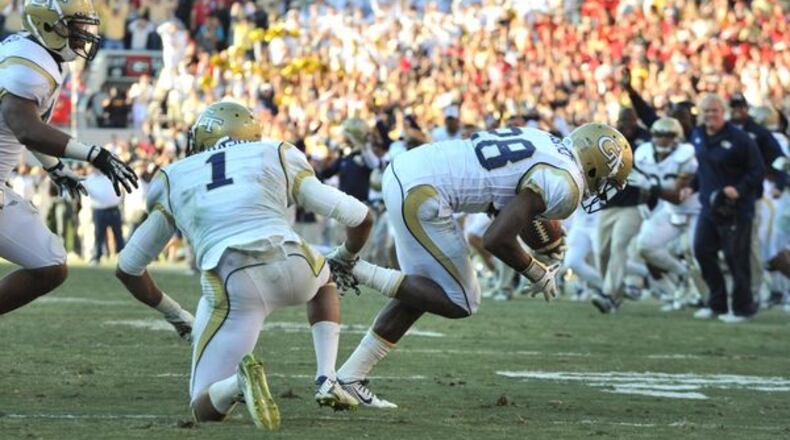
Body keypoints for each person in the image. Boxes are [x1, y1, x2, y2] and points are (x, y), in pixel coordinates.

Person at [327, 123, 632, 407]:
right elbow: (496, 238)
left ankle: (350, 377)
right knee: (462, 299)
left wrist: (539, 237)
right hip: (425, 192)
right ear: (596, 164)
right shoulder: (567, 184)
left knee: (425, 290)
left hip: (412, 169)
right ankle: (353, 268)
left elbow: (504, 206)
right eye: (608, 179)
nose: (604, 188)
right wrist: (535, 270)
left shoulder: (543, 139)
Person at [115, 102, 372, 429]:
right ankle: (326, 377)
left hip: (237, 278)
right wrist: (346, 258)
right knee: (325, 281)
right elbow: (361, 216)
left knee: (203, 405)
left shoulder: (174, 176)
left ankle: (237, 383)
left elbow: (128, 267)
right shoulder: (276, 152)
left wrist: (176, 315)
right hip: (296, 261)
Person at [0, 0, 137, 316]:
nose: (82, 37)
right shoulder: (26, 64)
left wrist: (54, 166)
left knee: (49, 265)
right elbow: (24, 128)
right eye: (74, 28)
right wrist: (95, 154)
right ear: (46, 25)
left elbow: (23, 125)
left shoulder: (32, 53)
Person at [689, 94, 765, 323]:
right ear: (700, 114)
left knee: (736, 257)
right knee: (701, 250)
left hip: (736, 209)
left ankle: (743, 308)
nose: (710, 115)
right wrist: (690, 187)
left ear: (723, 113)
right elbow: (703, 168)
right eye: (706, 111)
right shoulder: (698, 135)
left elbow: (758, 170)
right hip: (709, 206)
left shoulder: (740, 139)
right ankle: (717, 303)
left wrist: (739, 189)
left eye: (714, 111)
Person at [632, 118, 702, 310]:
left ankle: (707, 299)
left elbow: (678, 196)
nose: (662, 139)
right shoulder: (644, 154)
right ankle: (682, 274)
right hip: (669, 209)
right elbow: (647, 182)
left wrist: (651, 188)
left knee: (697, 253)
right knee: (645, 246)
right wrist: (643, 201)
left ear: (677, 137)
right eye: (658, 134)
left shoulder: (686, 156)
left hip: (695, 210)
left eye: (668, 135)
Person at [591, 107, 650, 313]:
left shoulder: (646, 139)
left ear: (637, 120)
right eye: (623, 121)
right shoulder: (609, 139)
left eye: (630, 120)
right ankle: (614, 290)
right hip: (608, 204)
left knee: (619, 245)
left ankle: (609, 294)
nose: (626, 125)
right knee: (601, 251)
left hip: (633, 206)